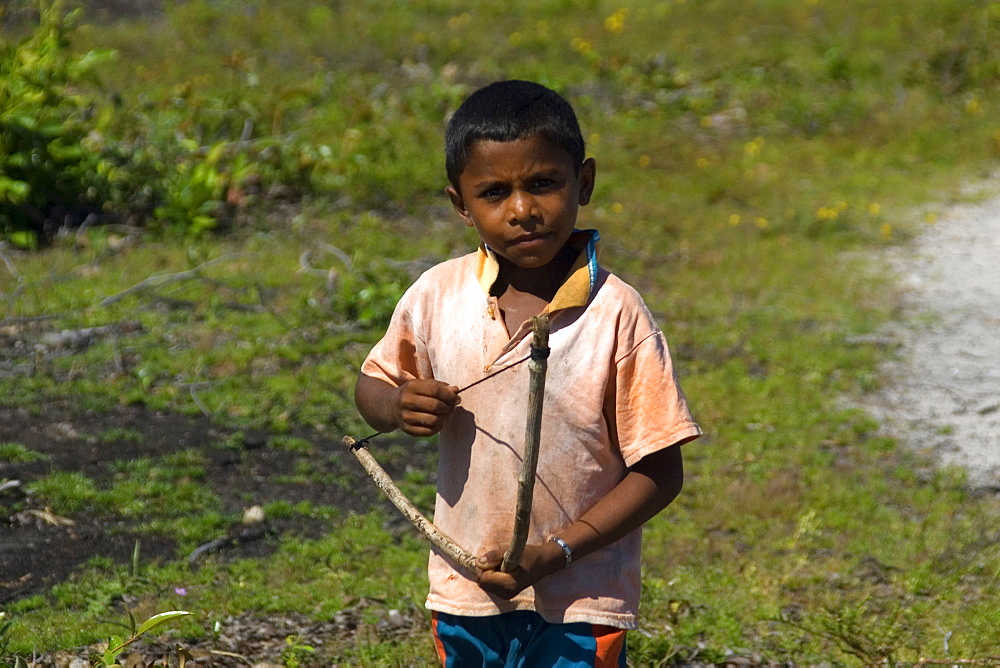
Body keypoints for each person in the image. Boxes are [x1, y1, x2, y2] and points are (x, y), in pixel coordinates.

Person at [355, 79, 702, 667]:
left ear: (583, 182)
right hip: (468, 593)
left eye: (543, 183)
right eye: (494, 192)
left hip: (582, 600)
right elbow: (374, 384)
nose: (523, 210)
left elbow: (660, 472)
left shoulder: (616, 312)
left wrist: (560, 550)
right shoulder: (438, 295)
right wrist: (396, 406)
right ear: (461, 205)